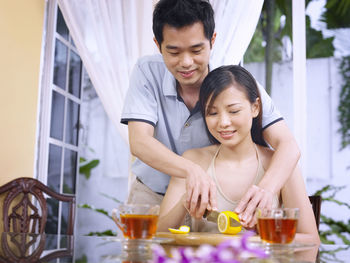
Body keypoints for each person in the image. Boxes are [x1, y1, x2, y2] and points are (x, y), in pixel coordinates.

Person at [121, 0, 300, 226]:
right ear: (158, 45)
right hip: (151, 194)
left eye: (196, 50)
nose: (186, 62)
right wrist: (191, 170)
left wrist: (266, 190)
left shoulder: (232, 80)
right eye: (174, 51)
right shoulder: (146, 72)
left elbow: (288, 145)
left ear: (212, 40)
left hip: (211, 205)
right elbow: (139, 142)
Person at [157, 65, 319, 246]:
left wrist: (261, 239)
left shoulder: (279, 164)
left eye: (233, 111)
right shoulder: (193, 161)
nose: (223, 122)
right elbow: (159, 236)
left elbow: (310, 239)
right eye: (212, 113)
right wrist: (183, 203)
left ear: (255, 107)